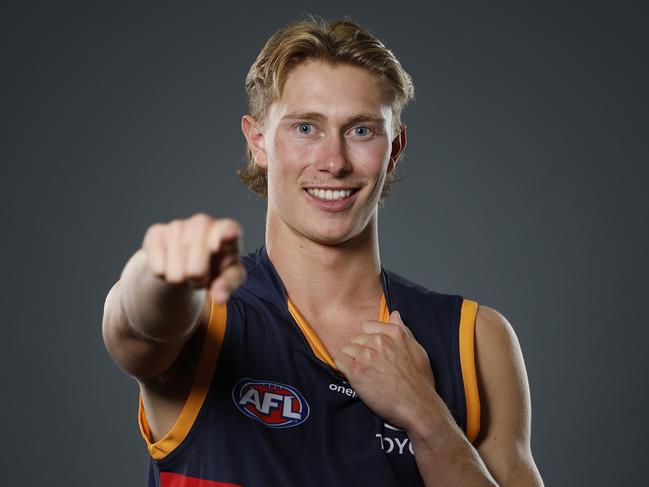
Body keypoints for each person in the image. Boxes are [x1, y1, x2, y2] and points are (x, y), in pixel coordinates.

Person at [102, 17, 544, 487]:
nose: (333, 162)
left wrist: (428, 419)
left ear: (394, 148)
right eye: (306, 127)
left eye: (361, 131)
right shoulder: (203, 317)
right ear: (258, 142)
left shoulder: (475, 340)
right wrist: (160, 269)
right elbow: (137, 324)